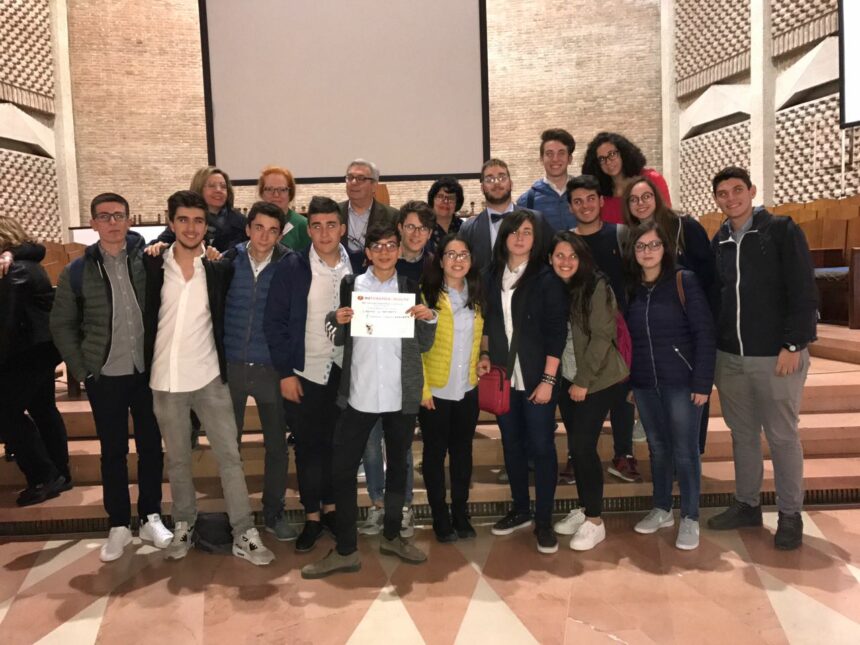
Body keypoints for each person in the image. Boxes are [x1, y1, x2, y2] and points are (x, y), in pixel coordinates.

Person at [145, 190, 274, 566]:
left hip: (209, 378)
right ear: (171, 223)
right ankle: (184, 524)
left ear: (207, 226)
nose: (191, 227)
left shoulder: (218, 268)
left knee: (230, 457)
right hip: (165, 378)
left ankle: (243, 532)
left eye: (198, 221)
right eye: (183, 220)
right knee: (179, 461)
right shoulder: (152, 264)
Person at [301, 226, 437, 579]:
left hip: (399, 394)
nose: (385, 251)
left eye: (391, 245)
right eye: (378, 246)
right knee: (342, 469)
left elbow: (423, 343)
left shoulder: (409, 286)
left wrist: (429, 318)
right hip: (359, 393)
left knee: (399, 468)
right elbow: (338, 335)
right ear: (368, 253)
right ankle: (346, 549)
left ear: (398, 250)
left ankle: (392, 535)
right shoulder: (352, 284)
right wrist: (335, 320)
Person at [50, 194, 171, 562]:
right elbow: (62, 323)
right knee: (113, 451)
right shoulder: (77, 271)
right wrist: (82, 369)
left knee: (151, 447)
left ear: (129, 220)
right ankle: (118, 523)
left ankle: (150, 516)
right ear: (93, 224)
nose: (113, 222)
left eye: (119, 215)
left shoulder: (149, 260)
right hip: (105, 375)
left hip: (146, 371)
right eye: (104, 216)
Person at [706, 167, 817, 551]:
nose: (731, 198)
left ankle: (790, 514)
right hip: (730, 357)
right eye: (723, 193)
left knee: (782, 437)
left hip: (775, 356)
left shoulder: (781, 230)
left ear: (752, 191)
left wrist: (794, 344)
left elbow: (803, 288)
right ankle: (748, 504)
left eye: (737, 190)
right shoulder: (719, 240)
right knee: (743, 436)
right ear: (716, 199)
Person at [478, 211, 568, 554]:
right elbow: (487, 322)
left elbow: (556, 333)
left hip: (536, 378)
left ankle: (544, 521)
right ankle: (520, 510)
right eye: (514, 231)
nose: (519, 237)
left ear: (536, 238)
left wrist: (548, 380)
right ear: (504, 237)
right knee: (512, 445)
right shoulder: (490, 275)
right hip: (504, 378)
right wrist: (484, 354)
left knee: (542, 447)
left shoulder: (546, 278)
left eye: (527, 232)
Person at [264, 196, 351, 553]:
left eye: (331, 225)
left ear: (342, 228)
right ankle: (312, 515)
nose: (324, 232)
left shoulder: (357, 265)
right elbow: (275, 323)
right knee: (308, 448)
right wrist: (285, 373)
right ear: (308, 229)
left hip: (345, 373)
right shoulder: (292, 267)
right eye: (316, 225)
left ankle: (332, 510)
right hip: (306, 371)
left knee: (336, 446)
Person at [626, 222, 715, 550]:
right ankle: (662, 508)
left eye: (654, 245)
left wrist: (702, 382)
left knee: (685, 452)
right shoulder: (632, 288)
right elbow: (629, 340)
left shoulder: (683, 280)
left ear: (666, 248)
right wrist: (632, 382)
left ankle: (690, 517)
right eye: (641, 246)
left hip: (681, 382)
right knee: (657, 448)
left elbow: (704, 333)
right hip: (645, 383)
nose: (647, 252)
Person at [621, 174, 716, 453]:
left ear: (658, 197)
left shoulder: (685, 227)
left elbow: (709, 278)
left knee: (689, 430)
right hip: (657, 338)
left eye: (646, 196)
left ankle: (692, 456)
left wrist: (703, 322)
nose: (640, 203)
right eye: (634, 199)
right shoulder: (632, 238)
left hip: (689, 332)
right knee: (662, 437)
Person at [548, 232, 628, 551]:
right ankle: (584, 508)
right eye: (559, 255)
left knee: (583, 447)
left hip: (596, 379)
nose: (566, 261)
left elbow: (602, 337)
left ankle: (595, 521)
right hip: (568, 378)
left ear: (583, 259)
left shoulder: (596, 286)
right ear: (550, 259)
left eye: (573, 255)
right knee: (577, 448)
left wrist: (582, 380)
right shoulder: (552, 287)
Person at [220, 201, 295, 541]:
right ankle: (236, 515)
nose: (265, 236)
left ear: (281, 234)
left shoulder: (290, 264)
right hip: (232, 365)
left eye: (273, 230)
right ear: (248, 228)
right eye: (259, 228)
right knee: (229, 447)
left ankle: (273, 513)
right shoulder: (228, 260)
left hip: (270, 368)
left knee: (276, 446)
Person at [567, 175, 640, 483]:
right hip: (578, 333)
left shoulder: (621, 234)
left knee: (620, 392)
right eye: (577, 201)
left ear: (600, 201)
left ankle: (623, 454)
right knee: (578, 396)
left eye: (590, 199)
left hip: (618, 328)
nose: (585, 206)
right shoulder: (565, 241)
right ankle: (577, 455)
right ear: (570, 207)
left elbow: (636, 279)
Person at [1, 218, 70, 507]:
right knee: (43, 409)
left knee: (6, 413)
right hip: (41, 349)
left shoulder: (14, 269)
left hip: (26, 352)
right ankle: (60, 474)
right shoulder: (25, 263)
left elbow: (6, 322)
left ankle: (43, 475)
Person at [419, 233, 484, 542]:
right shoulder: (426, 295)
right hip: (435, 391)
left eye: (463, 255)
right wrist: (423, 390)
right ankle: (439, 516)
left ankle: (460, 512)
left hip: (467, 387)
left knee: (462, 453)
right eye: (451, 254)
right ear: (441, 260)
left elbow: (482, 336)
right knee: (434, 454)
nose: (458, 260)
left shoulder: (477, 293)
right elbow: (414, 347)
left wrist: (485, 357)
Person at [460, 158, 555, 272]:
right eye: (489, 179)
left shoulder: (537, 220)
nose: (496, 183)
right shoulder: (468, 229)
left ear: (511, 183)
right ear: (482, 188)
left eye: (502, 177)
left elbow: (552, 259)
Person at [581, 132, 671, 225]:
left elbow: (667, 220)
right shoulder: (599, 194)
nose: (608, 162)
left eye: (612, 154)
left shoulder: (652, 179)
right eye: (602, 159)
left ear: (623, 153)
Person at [153, 166, 247, 251]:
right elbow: (157, 244)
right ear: (199, 188)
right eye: (211, 186)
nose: (218, 190)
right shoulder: (184, 219)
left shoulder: (241, 222)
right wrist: (159, 247)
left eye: (223, 186)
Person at [338, 159, 400, 273]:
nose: (354, 182)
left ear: (374, 185)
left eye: (361, 178)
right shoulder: (334, 213)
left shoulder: (392, 216)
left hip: (377, 278)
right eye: (350, 177)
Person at [517, 128, 577, 231]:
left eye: (561, 153)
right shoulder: (526, 201)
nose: (555, 159)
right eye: (549, 154)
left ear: (570, 159)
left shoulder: (584, 194)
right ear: (541, 159)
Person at [256, 165, 311, 251]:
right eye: (269, 189)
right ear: (262, 193)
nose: (276, 195)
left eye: (282, 189)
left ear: (290, 193)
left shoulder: (303, 226)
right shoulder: (253, 223)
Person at [395, 200, 435, 283]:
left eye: (423, 228)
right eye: (410, 227)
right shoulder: (383, 259)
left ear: (429, 234)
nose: (416, 234)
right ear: (400, 228)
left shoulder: (435, 265)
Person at [427, 177, 466, 254]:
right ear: (432, 200)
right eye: (440, 196)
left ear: (457, 203)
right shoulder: (423, 228)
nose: (445, 201)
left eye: (451, 198)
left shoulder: (464, 228)